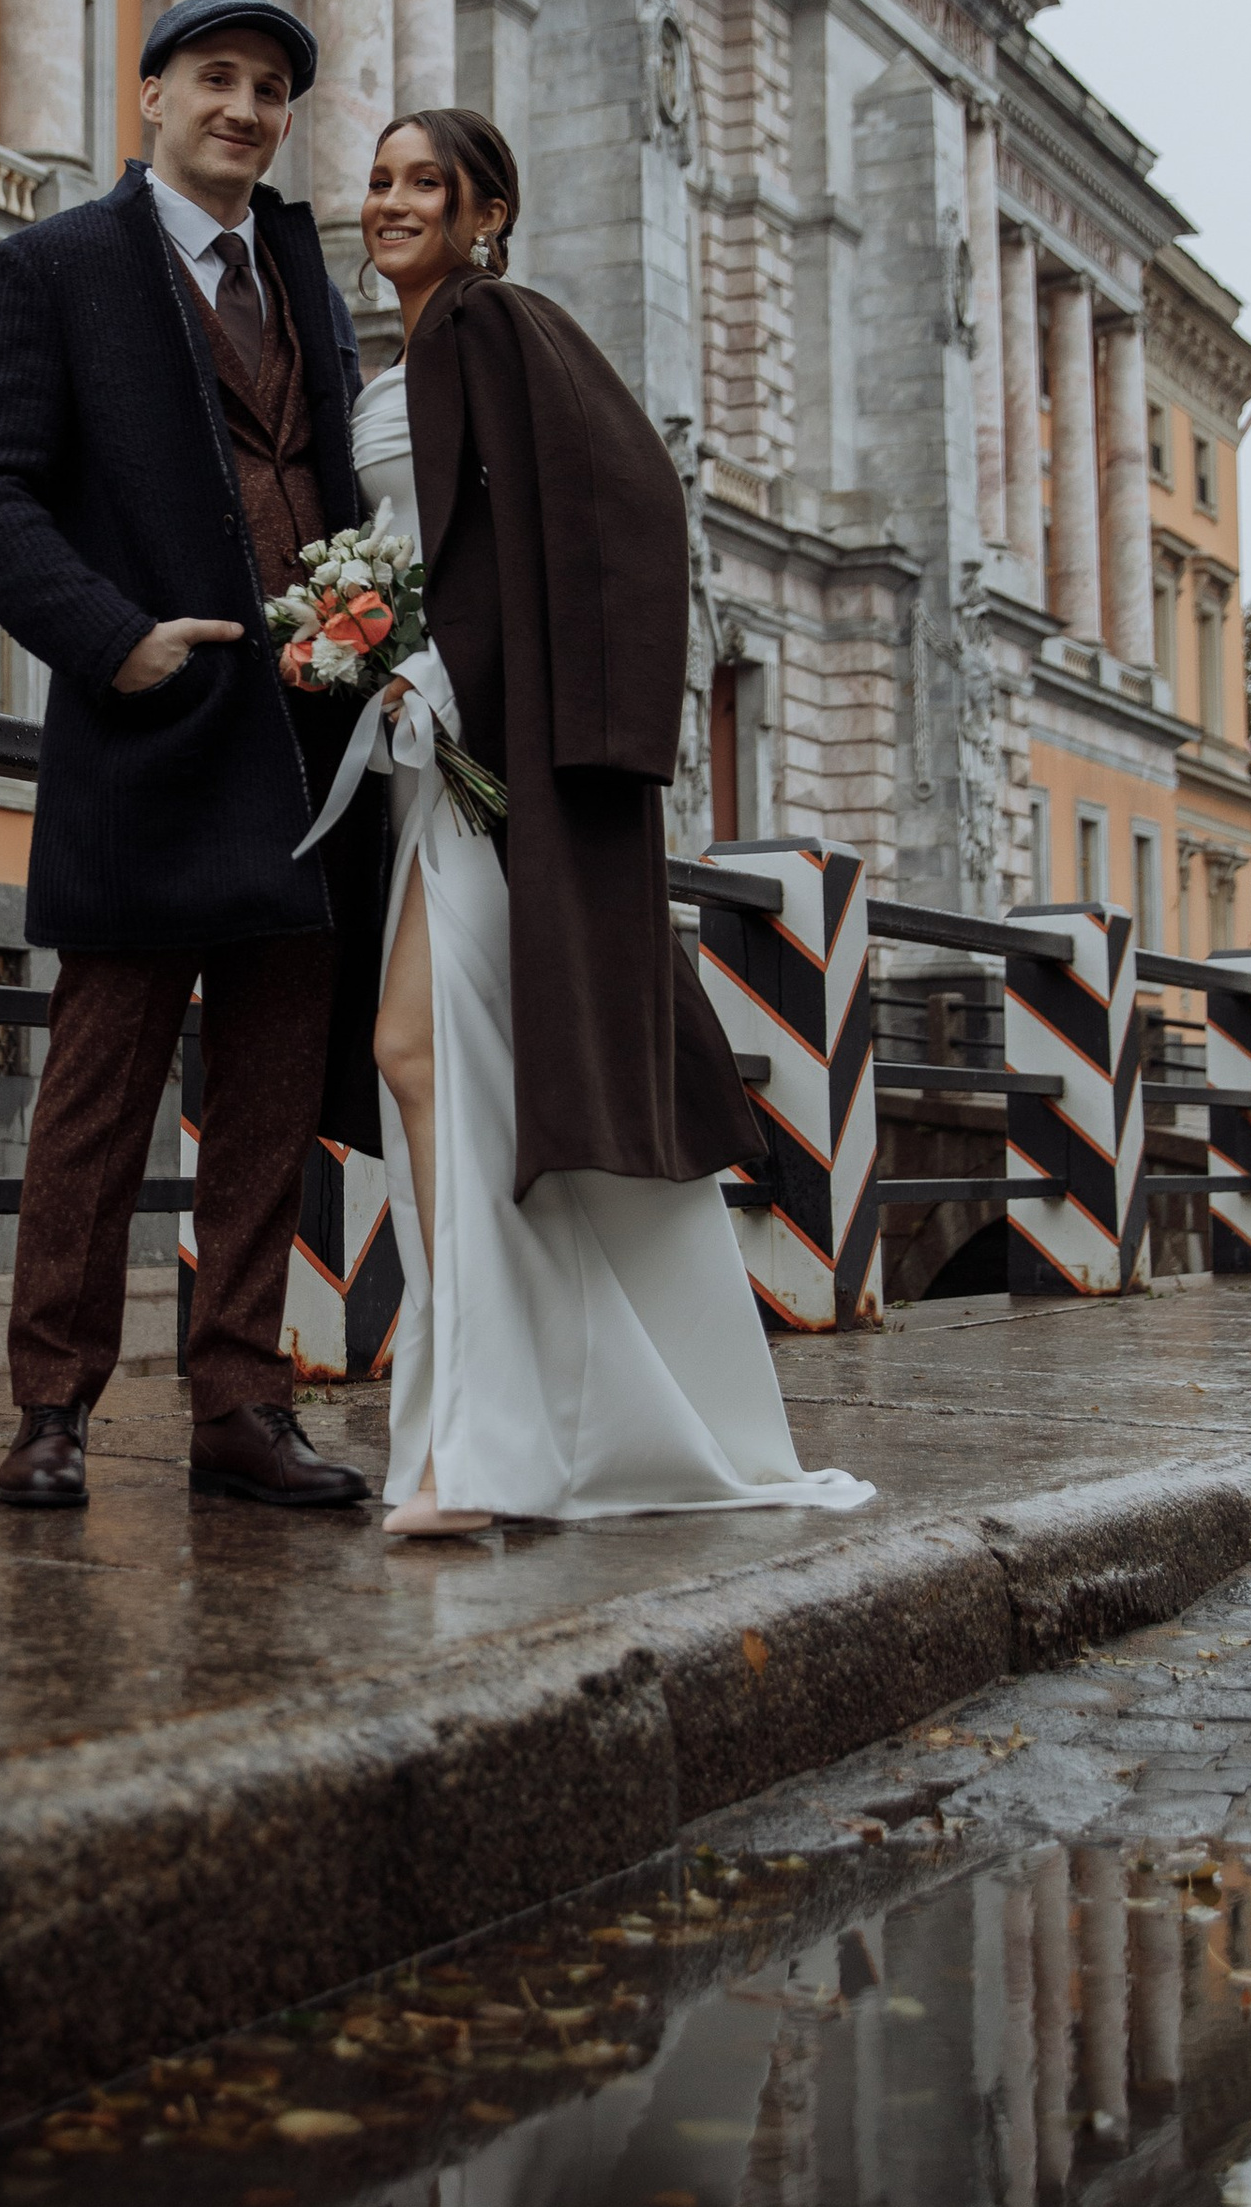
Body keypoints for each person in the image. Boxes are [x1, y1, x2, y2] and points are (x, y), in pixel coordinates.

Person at [346, 108, 872, 1536]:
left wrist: (457, 670)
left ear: (485, 208)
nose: (390, 200)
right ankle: (528, 1423)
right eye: (380, 179)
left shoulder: (491, 327)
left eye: (423, 183)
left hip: (474, 767)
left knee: (430, 1054)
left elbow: (624, 506)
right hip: (425, 770)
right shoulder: (430, 346)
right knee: (456, 1068)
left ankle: (481, 1441)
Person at [0, 0, 388, 1512]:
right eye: (216, 79)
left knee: (269, 1098)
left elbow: (325, 487)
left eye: (270, 91)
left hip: (306, 757)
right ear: (151, 95)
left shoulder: (305, 285)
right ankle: (50, 1406)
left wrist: (374, 640)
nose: (246, 109)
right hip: (147, 738)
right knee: (98, 1096)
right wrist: (109, 634)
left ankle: (241, 1406)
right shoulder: (53, 268)